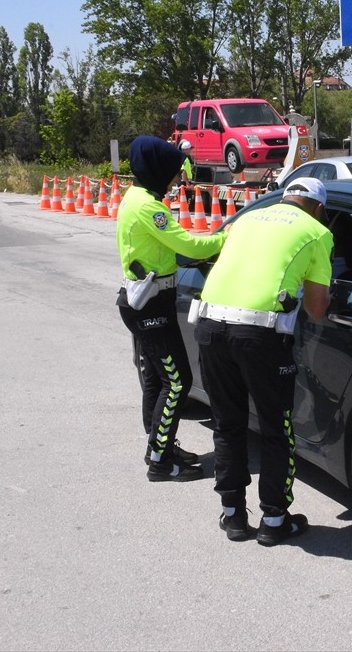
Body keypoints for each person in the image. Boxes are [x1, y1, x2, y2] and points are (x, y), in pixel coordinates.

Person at [193, 177, 333, 545]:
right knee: (276, 427)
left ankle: (233, 516)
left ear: (285, 199)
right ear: (319, 208)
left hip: (209, 325)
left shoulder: (248, 219)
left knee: (227, 423)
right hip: (258, 335)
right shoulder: (317, 231)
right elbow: (317, 311)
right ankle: (274, 520)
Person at [117, 136, 225, 483]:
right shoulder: (148, 207)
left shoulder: (138, 197)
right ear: (158, 168)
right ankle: (161, 461)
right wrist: (228, 237)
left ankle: (159, 446)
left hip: (148, 301)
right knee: (178, 382)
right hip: (151, 304)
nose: (176, 179)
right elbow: (187, 244)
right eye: (174, 172)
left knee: (156, 379)